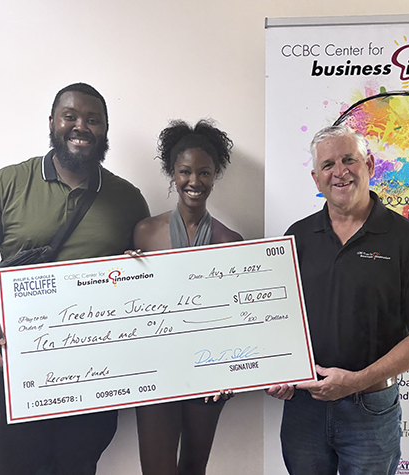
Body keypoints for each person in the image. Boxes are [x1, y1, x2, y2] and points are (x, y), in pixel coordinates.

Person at [0, 83, 149, 475]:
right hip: (11, 370)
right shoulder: (9, 183)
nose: (81, 126)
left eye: (93, 120)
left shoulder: (127, 198)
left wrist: (137, 268)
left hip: (91, 378)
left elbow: (145, 276)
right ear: (53, 122)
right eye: (70, 116)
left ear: (105, 130)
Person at [267, 125, 409, 475]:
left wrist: (356, 381)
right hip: (304, 408)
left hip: (370, 409)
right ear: (316, 178)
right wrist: (277, 371)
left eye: (348, 160)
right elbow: (275, 320)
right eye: (328, 165)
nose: (339, 171)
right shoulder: (296, 238)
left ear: (369, 164)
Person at [131, 119, 243, 475]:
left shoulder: (230, 241)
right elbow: (132, 307)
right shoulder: (146, 232)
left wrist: (230, 372)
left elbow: (236, 316)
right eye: (185, 172)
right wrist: (122, 277)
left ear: (215, 176)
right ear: (172, 173)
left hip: (207, 373)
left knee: (194, 468)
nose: (194, 182)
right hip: (156, 369)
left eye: (204, 173)